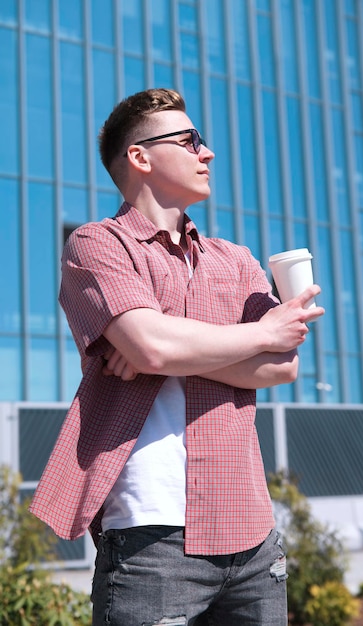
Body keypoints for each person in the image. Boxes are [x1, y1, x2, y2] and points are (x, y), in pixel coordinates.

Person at [30, 88, 325, 626]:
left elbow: (282, 366)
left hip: (254, 535)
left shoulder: (236, 260)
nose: (207, 153)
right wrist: (254, 333)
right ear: (140, 156)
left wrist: (160, 352)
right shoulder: (97, 245)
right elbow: (153, 344)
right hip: (149, 539)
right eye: (190, 140)